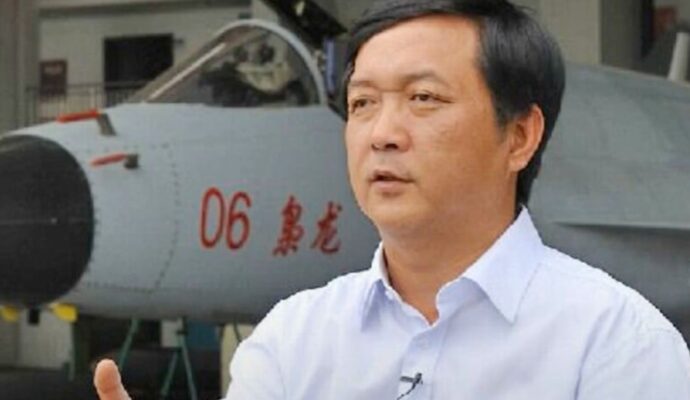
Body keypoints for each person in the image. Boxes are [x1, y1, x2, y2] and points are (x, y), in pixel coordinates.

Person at [94, 0, 690, 398]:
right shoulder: (290, 344)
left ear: (519, 137)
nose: (381, 133)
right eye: (361, 103)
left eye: (424, 99)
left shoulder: (616, 346)